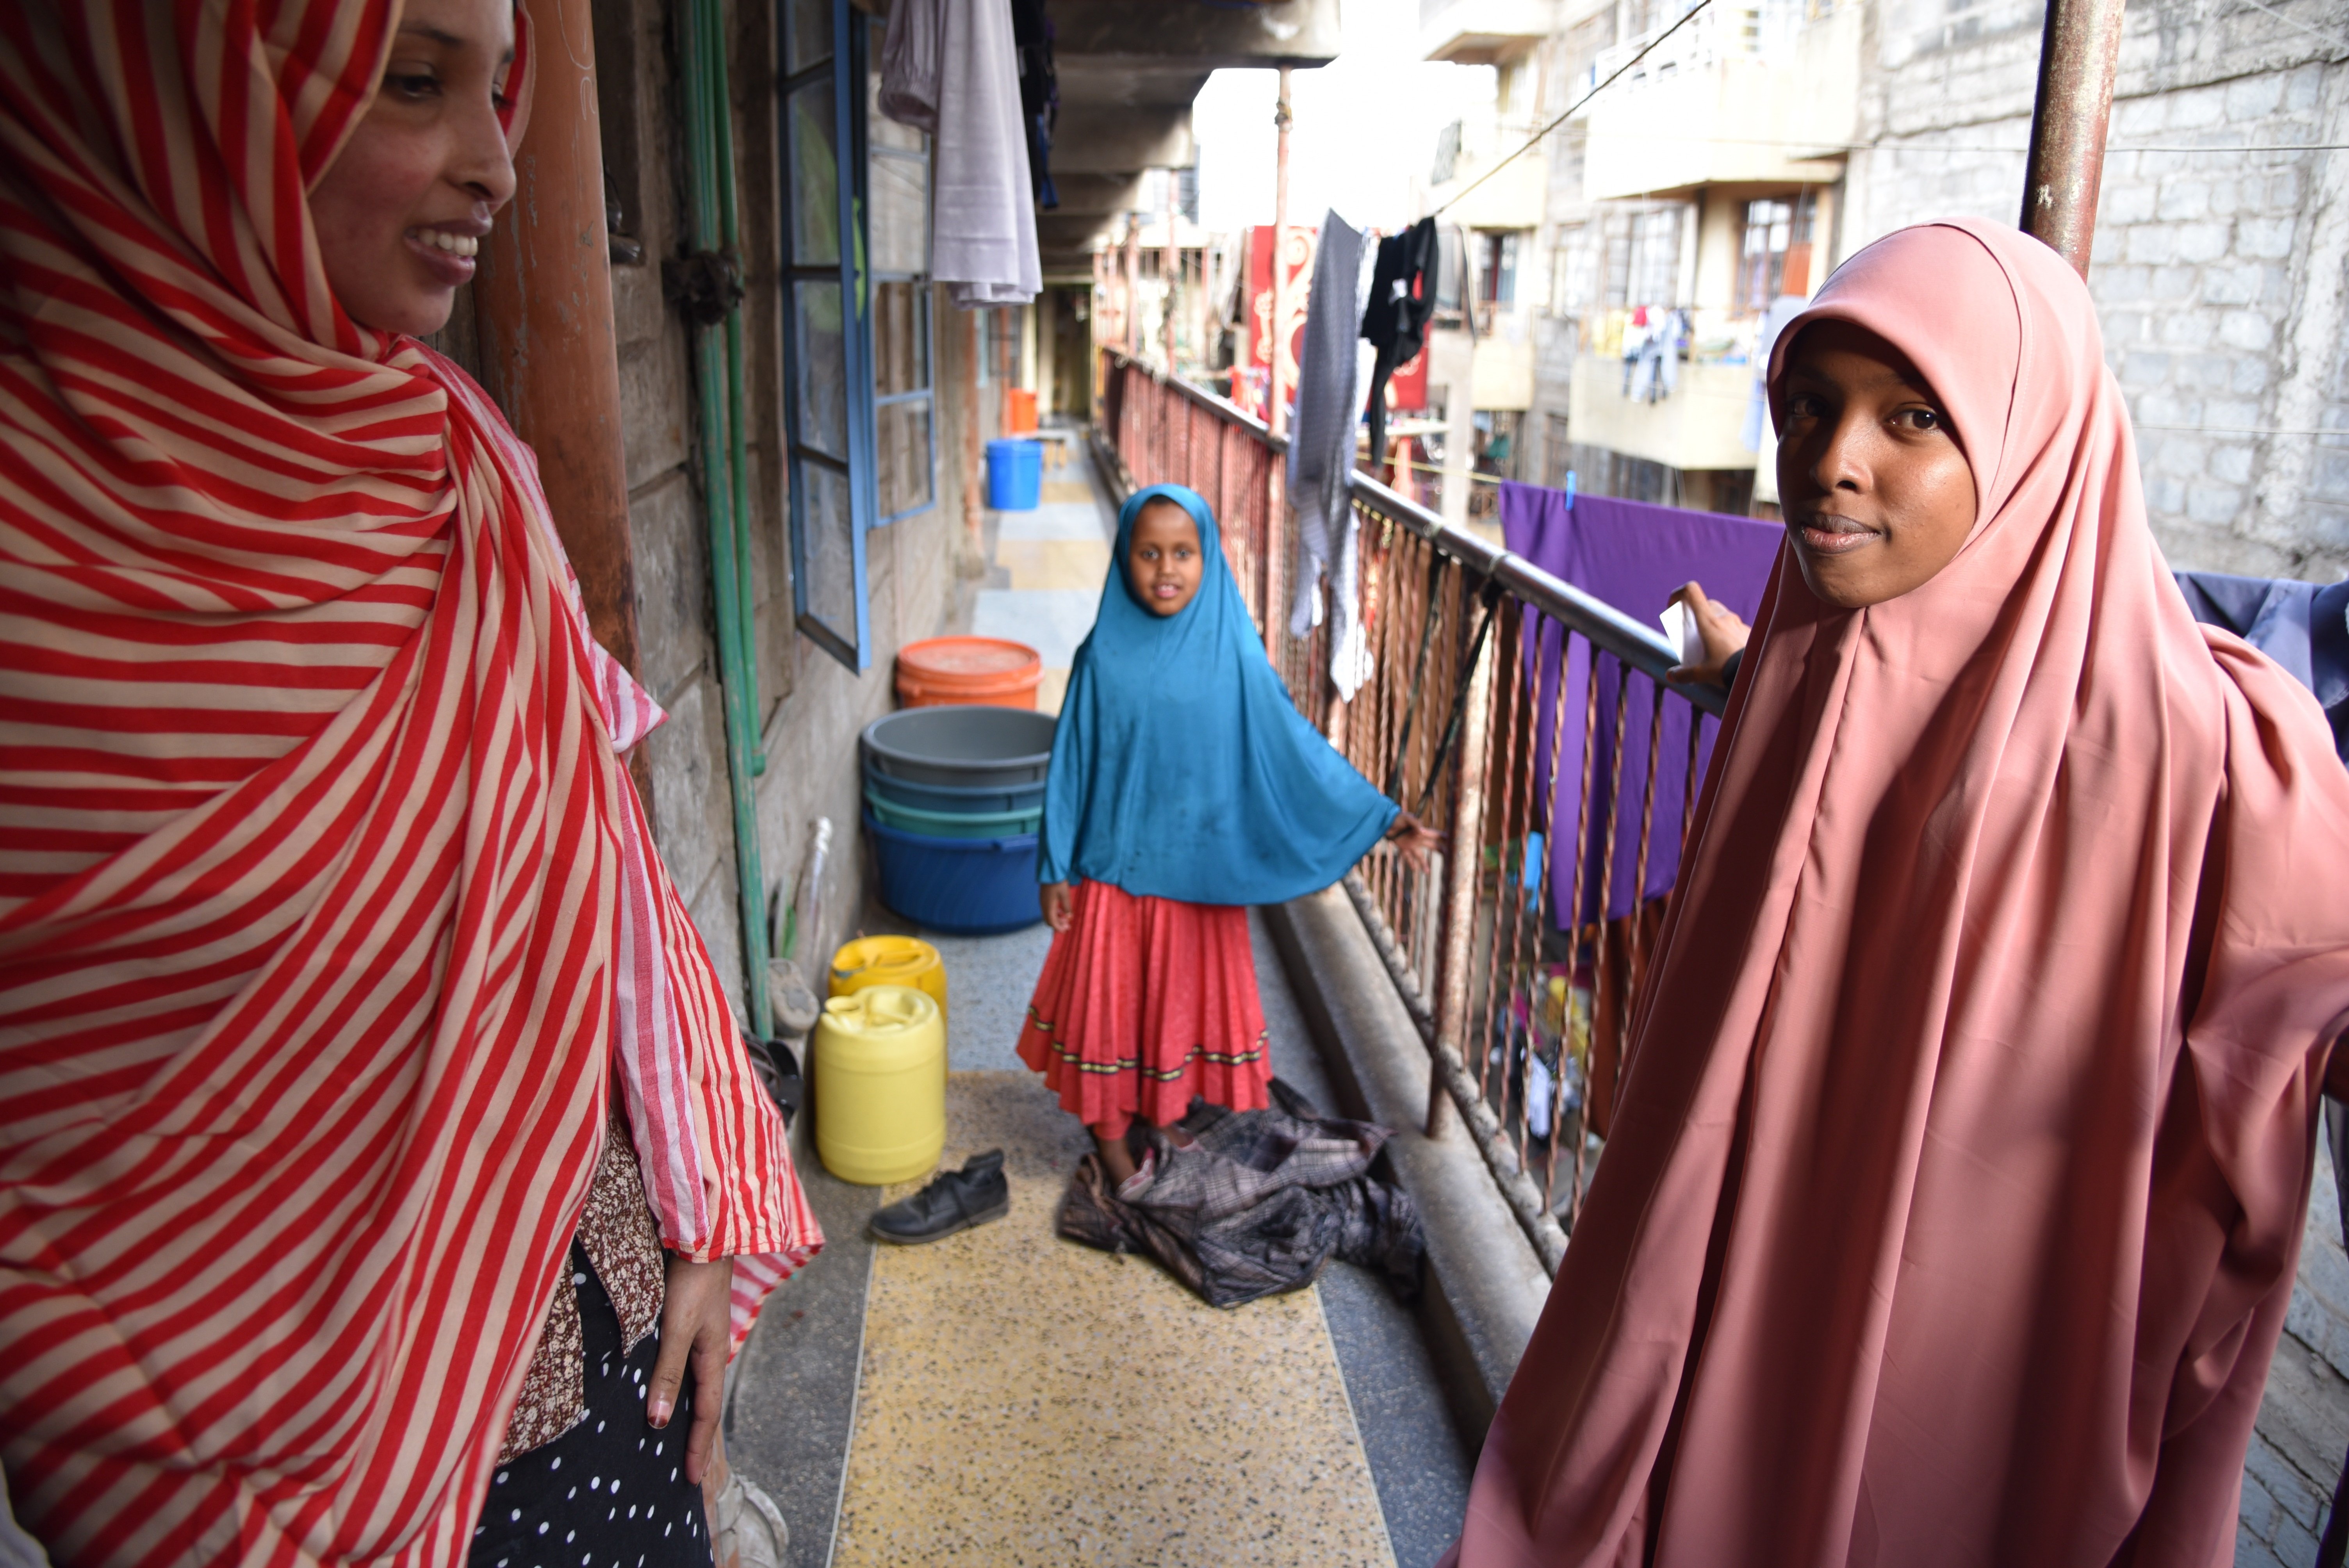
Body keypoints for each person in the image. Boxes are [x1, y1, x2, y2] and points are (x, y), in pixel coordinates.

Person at [0, 3, 818, 1565]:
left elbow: (607, 863)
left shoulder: (456, 463)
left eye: (502, 92)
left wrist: (703, 1190)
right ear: (184, 90)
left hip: (596, 1355)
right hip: (246, 1480)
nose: (498, 164)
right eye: (411, 81)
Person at [1443, 219, 2349, 1566]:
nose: (1830, 461)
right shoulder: (1815, 655)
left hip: (1976, 1368)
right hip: (1762, 1274)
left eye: (1909, 416)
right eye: (1808, 408)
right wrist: (1740, 671)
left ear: (2031, 444)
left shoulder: (2202, 748)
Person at [1017, 485, 1436, 1187]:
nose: (1166, 570)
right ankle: (1112, 1139)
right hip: (1113, 878)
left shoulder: (1234, 654)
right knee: (1112, 1016)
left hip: (1199, 877)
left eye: (1184, 553)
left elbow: (1291, 746)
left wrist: (1382, 817)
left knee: (1170, 1013)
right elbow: (1072, 762)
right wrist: (1053, 865)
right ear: (1124, 557)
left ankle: (1159, 1113)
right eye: (1148, 553)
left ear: (1209, 556)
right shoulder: (1101, 655)